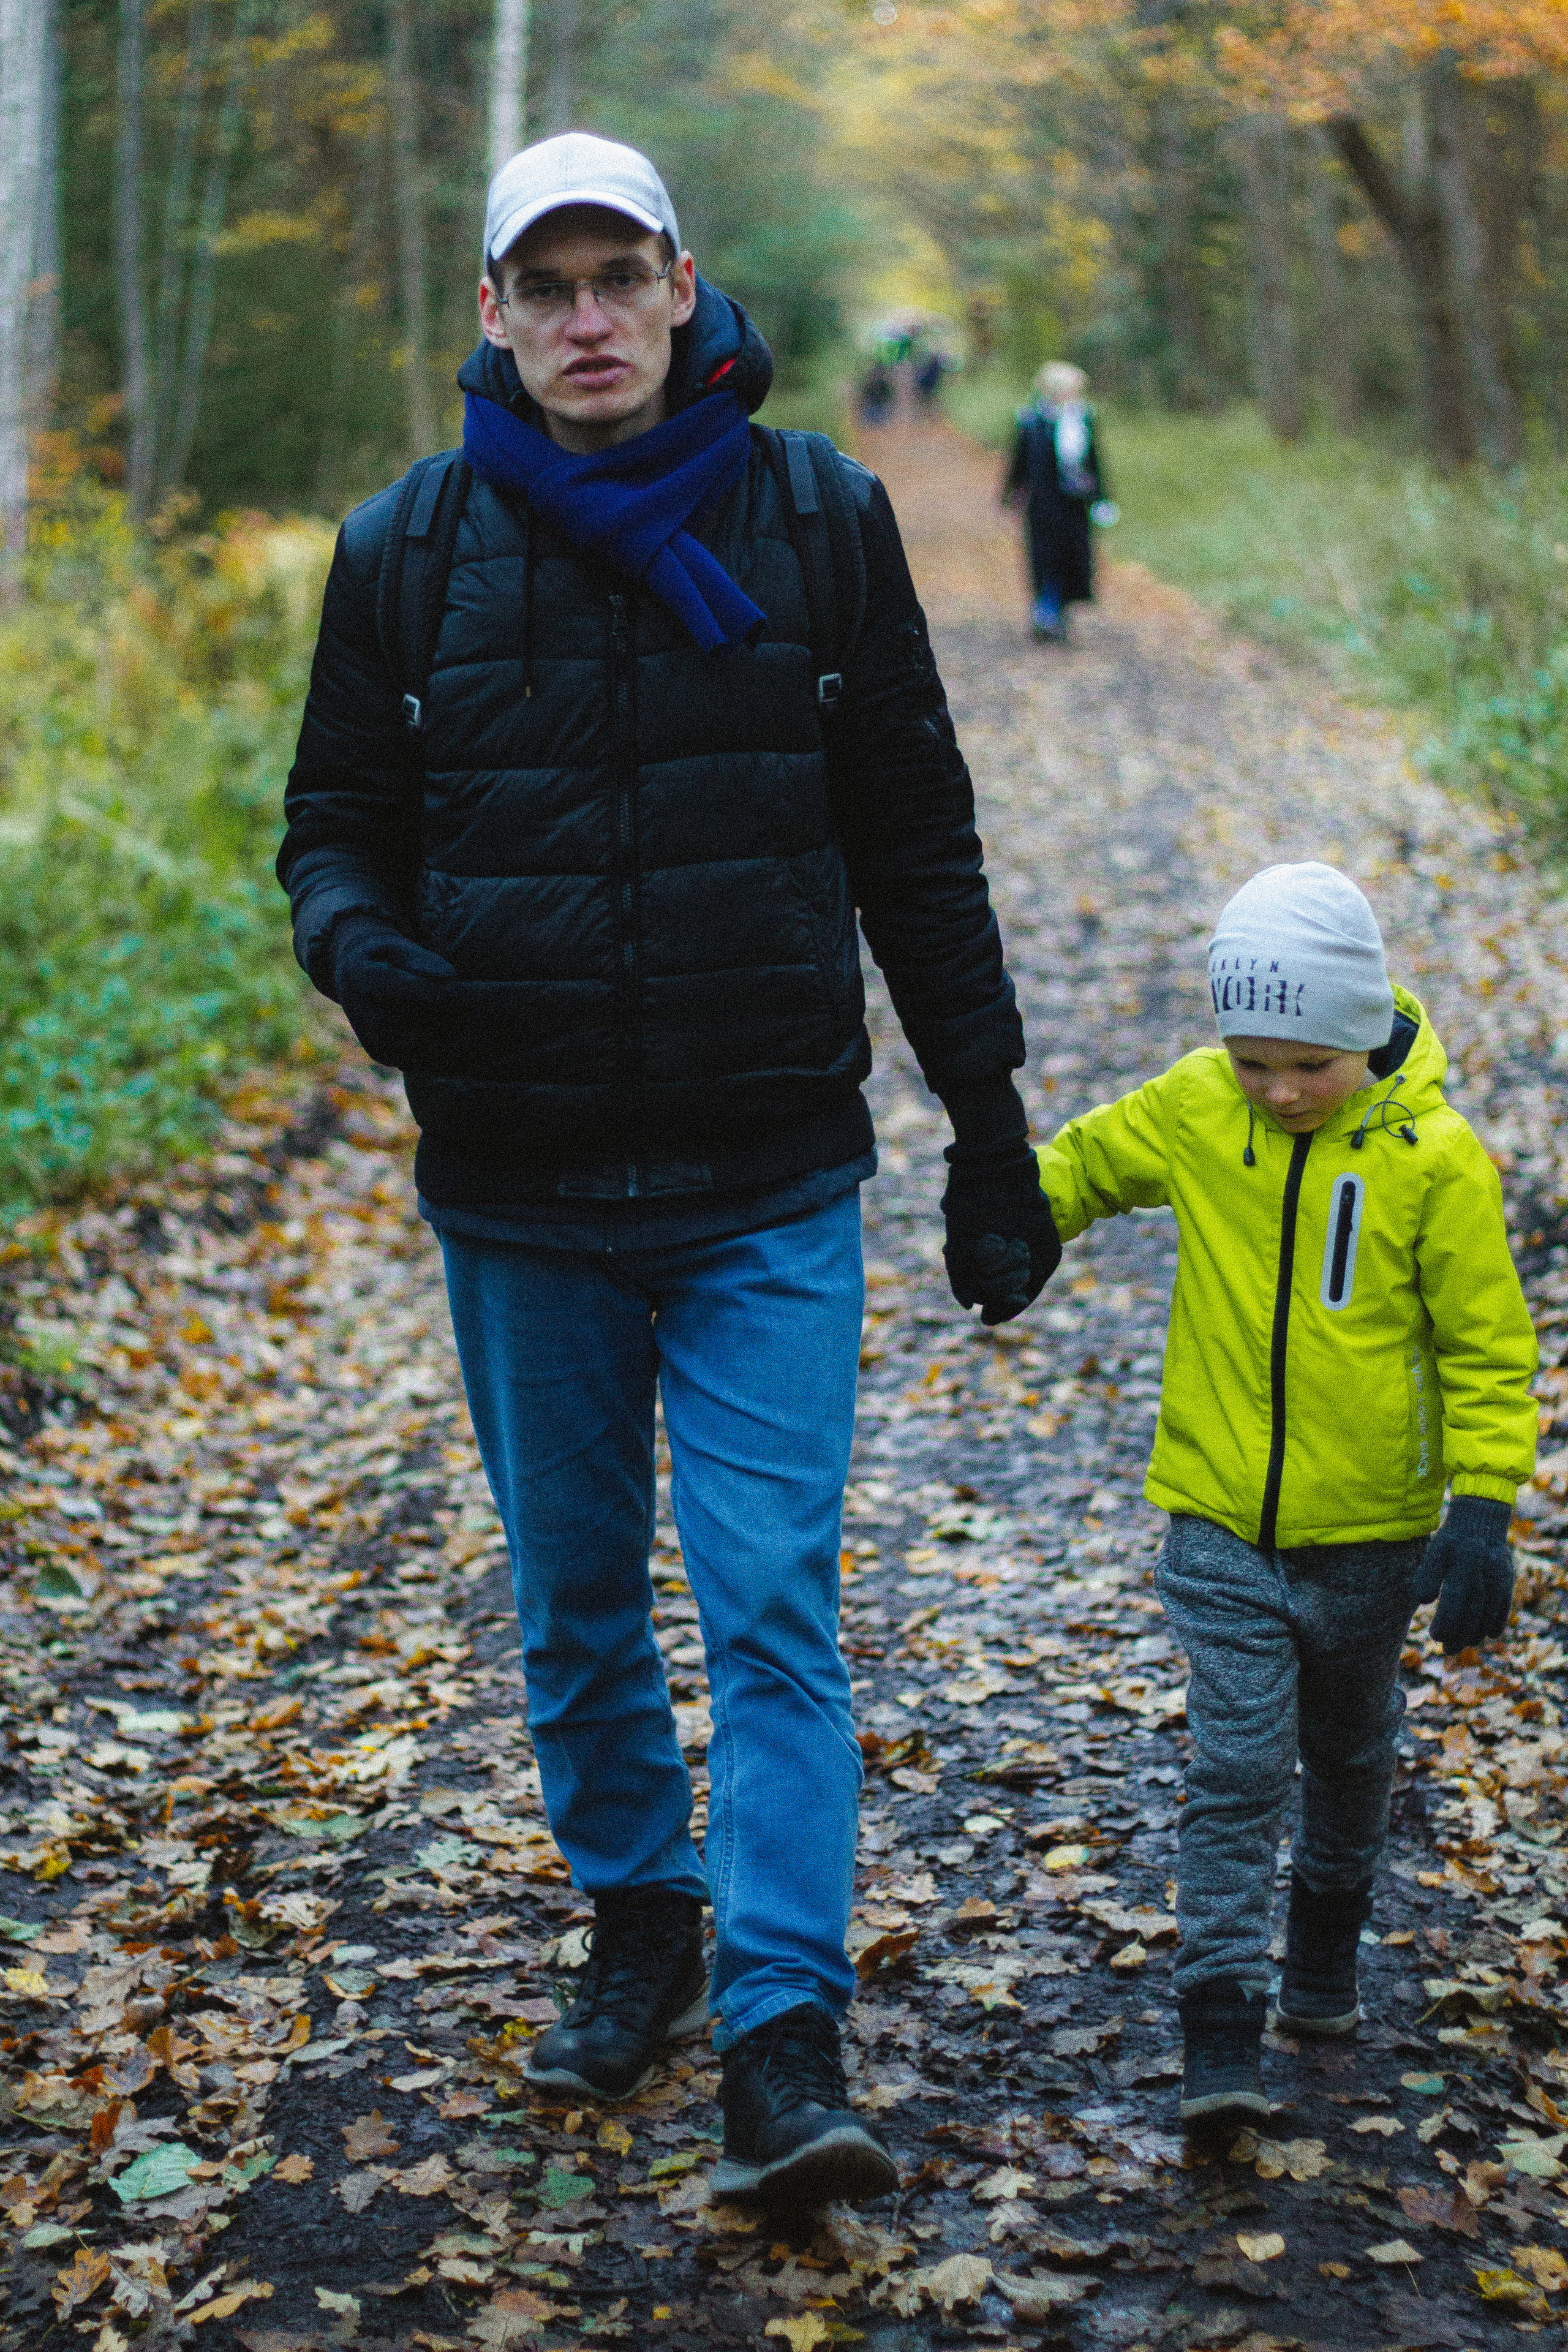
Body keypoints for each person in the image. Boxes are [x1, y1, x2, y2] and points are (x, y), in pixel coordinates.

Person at [277, 131, 1060, 2203]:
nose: (592, 318)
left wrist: (993, 1132)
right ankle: (641, 1918)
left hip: (769, 1175)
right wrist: (357, 945)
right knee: (576, 1610)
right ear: (494, 315)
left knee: (776, 1606)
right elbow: (333, 823)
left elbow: (917, 839)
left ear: (688, 283)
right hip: (522, 1185)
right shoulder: (407, 550)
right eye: (551, 288)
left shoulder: (819, 520)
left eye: (623, 275)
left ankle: (781, 2032)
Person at [1033, 863, 1537, 2121]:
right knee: (1235, 1766)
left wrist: (1480, 1504)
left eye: (1303, 1065)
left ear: (1362, 1032)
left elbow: (1487, 1346)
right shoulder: (1203, 1107)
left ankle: (1319, 1959)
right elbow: (1085, 1164)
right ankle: (1217, 2029)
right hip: (1217, 1526)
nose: (1275, 1089)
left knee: (1349, 1754)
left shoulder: (1433, 1163)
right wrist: (1013, 1218)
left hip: (1372, 1538)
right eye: (1252, 1060)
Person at [1001, 360, 1114, 643]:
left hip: (1076, 504)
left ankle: (1061, 615)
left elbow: (1095, 462)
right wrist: (1011, 495)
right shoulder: (1031, 420)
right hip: (1043, 504)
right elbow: (1019, 462)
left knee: (1073, 559)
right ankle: (1045, 614)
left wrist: (1102, 498)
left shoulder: (1083, 418)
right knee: (1044, 559)